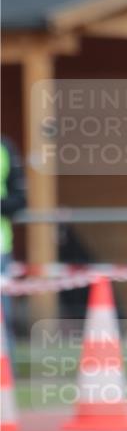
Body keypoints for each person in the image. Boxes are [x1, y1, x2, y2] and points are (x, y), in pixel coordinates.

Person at [1, 135, 26, 367]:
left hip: (0, 249)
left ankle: (6, 373)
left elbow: (20, 199)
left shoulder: (5, 148)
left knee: (3, 317)